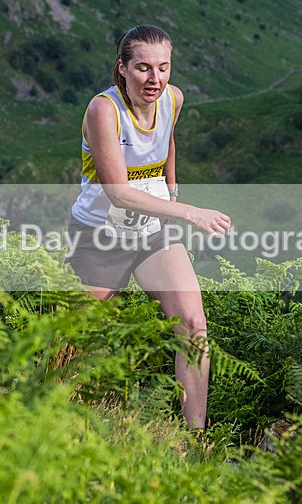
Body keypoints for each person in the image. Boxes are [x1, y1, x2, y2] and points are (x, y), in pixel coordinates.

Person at [66, 24, 232, 430]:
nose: (154, 79)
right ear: (121, 68)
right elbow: (119, 194)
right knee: (73, 338)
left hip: (154, 231)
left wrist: (172, 189)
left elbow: (167, 140)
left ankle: (195, 441)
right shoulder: (103, 111)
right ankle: (50, 423)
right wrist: (189, 212)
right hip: (100, 236)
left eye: (163, 67)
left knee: (193, 325)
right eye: (142, 68)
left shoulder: (173, 99)